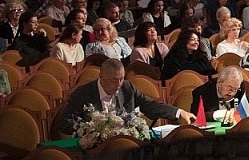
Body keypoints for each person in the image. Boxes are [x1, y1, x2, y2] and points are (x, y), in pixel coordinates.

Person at [57, 58, 195, 136]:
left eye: (121, 79)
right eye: (114, 80)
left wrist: (179, 112)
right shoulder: (83, 94)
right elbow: (64, 122)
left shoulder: (127, 88)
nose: (118, 84)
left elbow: (149, 105)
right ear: (101, 78)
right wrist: (90, 128)